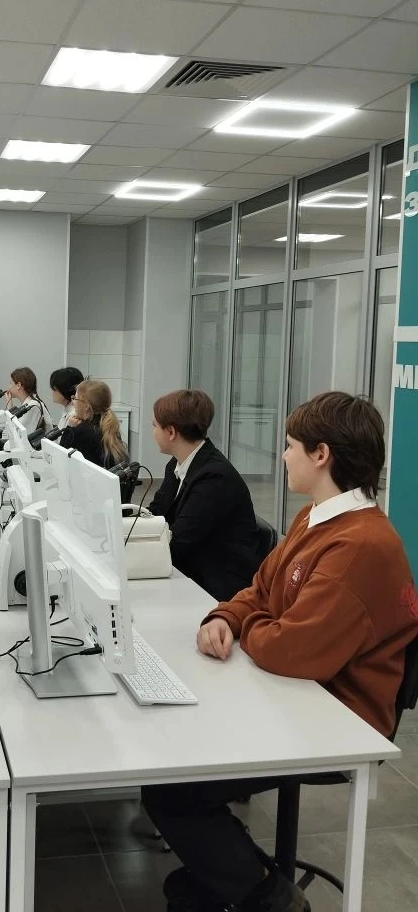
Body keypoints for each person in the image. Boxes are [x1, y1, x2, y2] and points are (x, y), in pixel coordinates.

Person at [141, 392, 418, 912]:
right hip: (299, 692)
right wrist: (226, 616)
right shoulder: (316, 517)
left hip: (337, 716)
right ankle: (237, 876)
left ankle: (269, 898)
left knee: (173, 788)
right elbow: (259, 588)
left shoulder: (361, 546)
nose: (283, 456)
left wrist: (251, 624)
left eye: (290, 446)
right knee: (174, 762)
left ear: (321, 454)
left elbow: (291, 650)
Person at [148, 389, 261, 602]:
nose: (153, 432)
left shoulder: (215, 478)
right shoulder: (177, 464)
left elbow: (178, 543)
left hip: (216, 586)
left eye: (154, 426)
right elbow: (156, 514)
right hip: (190, 569)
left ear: (170, 432)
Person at [60, 379, 127, 468]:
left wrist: (69, 428)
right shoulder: (110, 427)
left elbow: (61, 459)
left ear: (86, 406)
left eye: (75, 398)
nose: (73, 402)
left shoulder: (79, 431)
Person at [0, 367, 53, 437]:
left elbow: (17, 434)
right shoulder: (30, 403)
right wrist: (10, 405)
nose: (9, 387)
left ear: (18, 385)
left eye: (11, 383)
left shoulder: (33, 406)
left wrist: (9, 407)